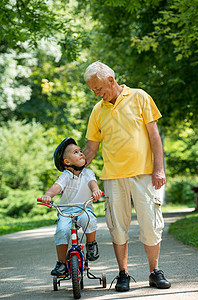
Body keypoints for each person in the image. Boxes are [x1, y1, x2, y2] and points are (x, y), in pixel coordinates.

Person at [83, 61, 171, 292]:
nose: (96, 93)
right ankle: (123, 274)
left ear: (111, 80)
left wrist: (159, 169)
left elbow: (154, 136)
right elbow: (91, 148)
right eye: (92, 89)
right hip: (112, 177)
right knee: (117, 228)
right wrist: (73, 166)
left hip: (143, 174)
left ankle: (155, 272)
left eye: (98, 88)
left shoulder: (140, 97)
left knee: (150, 225)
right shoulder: (97, 110)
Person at [40, 137, 102, 276]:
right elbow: (56, 187)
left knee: (89, 220)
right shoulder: (66, 175)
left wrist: (96, 191)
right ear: (67, 162)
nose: (81, 153)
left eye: (81, 151)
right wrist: (48, 195)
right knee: (61, 230)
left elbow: (93, 184)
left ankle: (91, 245)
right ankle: (61, 263)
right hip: (66, 211)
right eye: (76, 152)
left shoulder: (88, 173)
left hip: (84, 208)